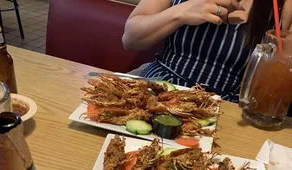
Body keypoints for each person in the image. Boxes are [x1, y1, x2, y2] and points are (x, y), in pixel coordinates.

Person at [122, 0, 291, 103]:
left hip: (223, 106)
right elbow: (131, 39)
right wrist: (182, 12)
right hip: (157, 85)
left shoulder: (283, 6)